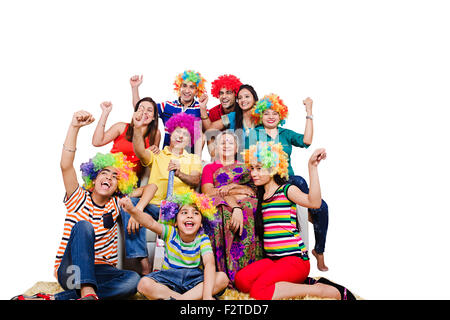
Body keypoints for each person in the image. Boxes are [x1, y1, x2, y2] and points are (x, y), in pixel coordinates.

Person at [12, 111, 141, 300]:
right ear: (93, 177)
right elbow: (65, 165)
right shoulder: (78, 197)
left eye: (115, 177)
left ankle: (56, 298)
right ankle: (87, 291)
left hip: (102, 271)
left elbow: (150, 188)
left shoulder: (116, 203)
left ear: (118, 187)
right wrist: (74, 127)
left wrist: (135, 205)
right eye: (105, 173)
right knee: (83, 226)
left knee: (133, 280)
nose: (109, 178)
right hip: (72, 270)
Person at [235, 142, 355, 300]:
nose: (254, 173)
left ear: (273, 168)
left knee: (259, 292)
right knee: (241, 281)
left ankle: (318, 290)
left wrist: (312, 167)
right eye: (252, 168)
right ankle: (299, 283)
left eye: (259, 168)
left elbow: (315, 203)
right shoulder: (259, 195)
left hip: (295, 260)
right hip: (273, 260)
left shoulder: (286, 190)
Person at [247, 94, 330, 271]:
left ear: (281, 116)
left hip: (287, 179)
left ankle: (319, 251)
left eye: (275, 113)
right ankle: (308, 210)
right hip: (266, 180)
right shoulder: (254, 133)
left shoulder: (285, 134)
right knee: (301, 185)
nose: (271, 116)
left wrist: (309, 112)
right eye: (267, 113)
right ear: (260, 115)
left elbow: (307, 141)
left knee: (322, 208)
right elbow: (250, 161)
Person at [121, 112, 203, 275]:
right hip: (153, 207)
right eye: (177, 132)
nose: (180, 136)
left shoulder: (193, 158)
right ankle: (144, 264)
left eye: (185, 134)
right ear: (171, 133)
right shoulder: (158, 154)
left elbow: (195, 180)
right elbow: (139, 151)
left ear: (189, 140)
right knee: (129, 205)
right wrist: (137, 129)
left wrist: (179, 173)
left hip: (177, 210)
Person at [119, 189, 230, 300]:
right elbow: (150, 222)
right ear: (175, 222)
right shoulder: (170, 232)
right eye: (184, 212)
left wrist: (207, 295)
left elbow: (209, 263)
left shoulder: (202, 239)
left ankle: (182, 298)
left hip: (194, 280)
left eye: (196, 213)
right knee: (143, 283)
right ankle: (188, 298)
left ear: (201, 223)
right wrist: (132, 210)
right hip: (169, 279)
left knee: (222, 278)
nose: (190, 216)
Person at [201, 131, 262, 285]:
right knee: (221, 209)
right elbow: (208, 192)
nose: (226, 145)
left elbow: (253, 190)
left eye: (230, 142)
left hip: (245, 200)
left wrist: (236, 187)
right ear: (216, 148)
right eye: (222, 142)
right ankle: (224, 272)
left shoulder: (246, 167)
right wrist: (237, 190)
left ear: (236, 148)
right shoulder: (209, 168)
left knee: (251, 206)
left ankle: (249, 272)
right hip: (221, 201)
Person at [130, 71, 206, 152]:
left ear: (197, 91)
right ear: (179, 88)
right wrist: (135, 88)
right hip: (167, 155)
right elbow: (141, 109)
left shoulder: (201, 108)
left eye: (192, 87)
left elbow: (206, 133)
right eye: (184, 86)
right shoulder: (167, 106)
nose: (187, 90)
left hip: (188, 158)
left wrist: (195, 160)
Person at [92, 99, 160, 180]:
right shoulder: (121, 127)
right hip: (111, 176)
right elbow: (97, 142)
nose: (144, 112)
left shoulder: (155, 134)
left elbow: (150, 164)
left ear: (154, 117)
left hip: (132, 182)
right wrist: (105, 113)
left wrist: (149, 153)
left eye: (149, 110)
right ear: (135, 113)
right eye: (141, 109)